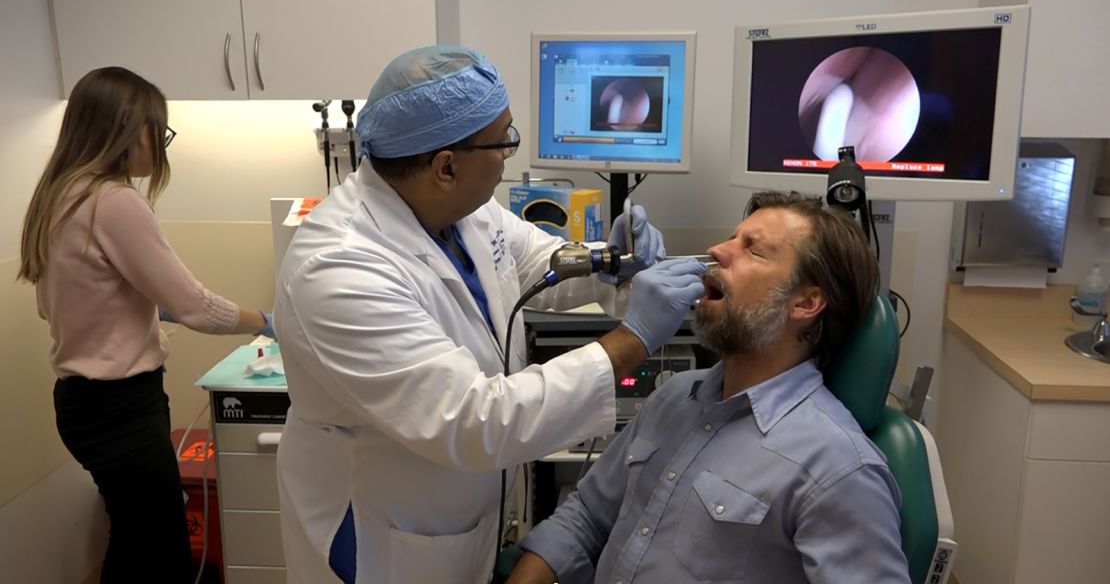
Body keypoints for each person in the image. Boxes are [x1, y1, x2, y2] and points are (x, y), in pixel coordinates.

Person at [273, 45, 706, 584]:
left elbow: (532, 260)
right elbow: (475, 420)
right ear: (447, 166)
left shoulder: (460, 211)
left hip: (463, 517)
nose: (508, 157)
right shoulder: (338, 269)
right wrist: (632, 339)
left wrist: (610, 262)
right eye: (504, 141)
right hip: (385, 540)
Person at [508, 191, 911, 584]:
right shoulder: (673, 396)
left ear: (805, 303)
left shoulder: (838, 468)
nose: (716, 250)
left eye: (752, 249)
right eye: (731, 237)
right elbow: (586, 515)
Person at [16, 66, 275, 583]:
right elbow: (196, 305)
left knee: (137, 542)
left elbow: (68, 304)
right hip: (121, 410)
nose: (162, 144)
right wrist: (266, 322)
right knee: (160, 556)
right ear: (130, 128)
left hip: (80, 405)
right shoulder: (114, 202)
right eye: (160, 130)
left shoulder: (58, 196)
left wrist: (150, 307)